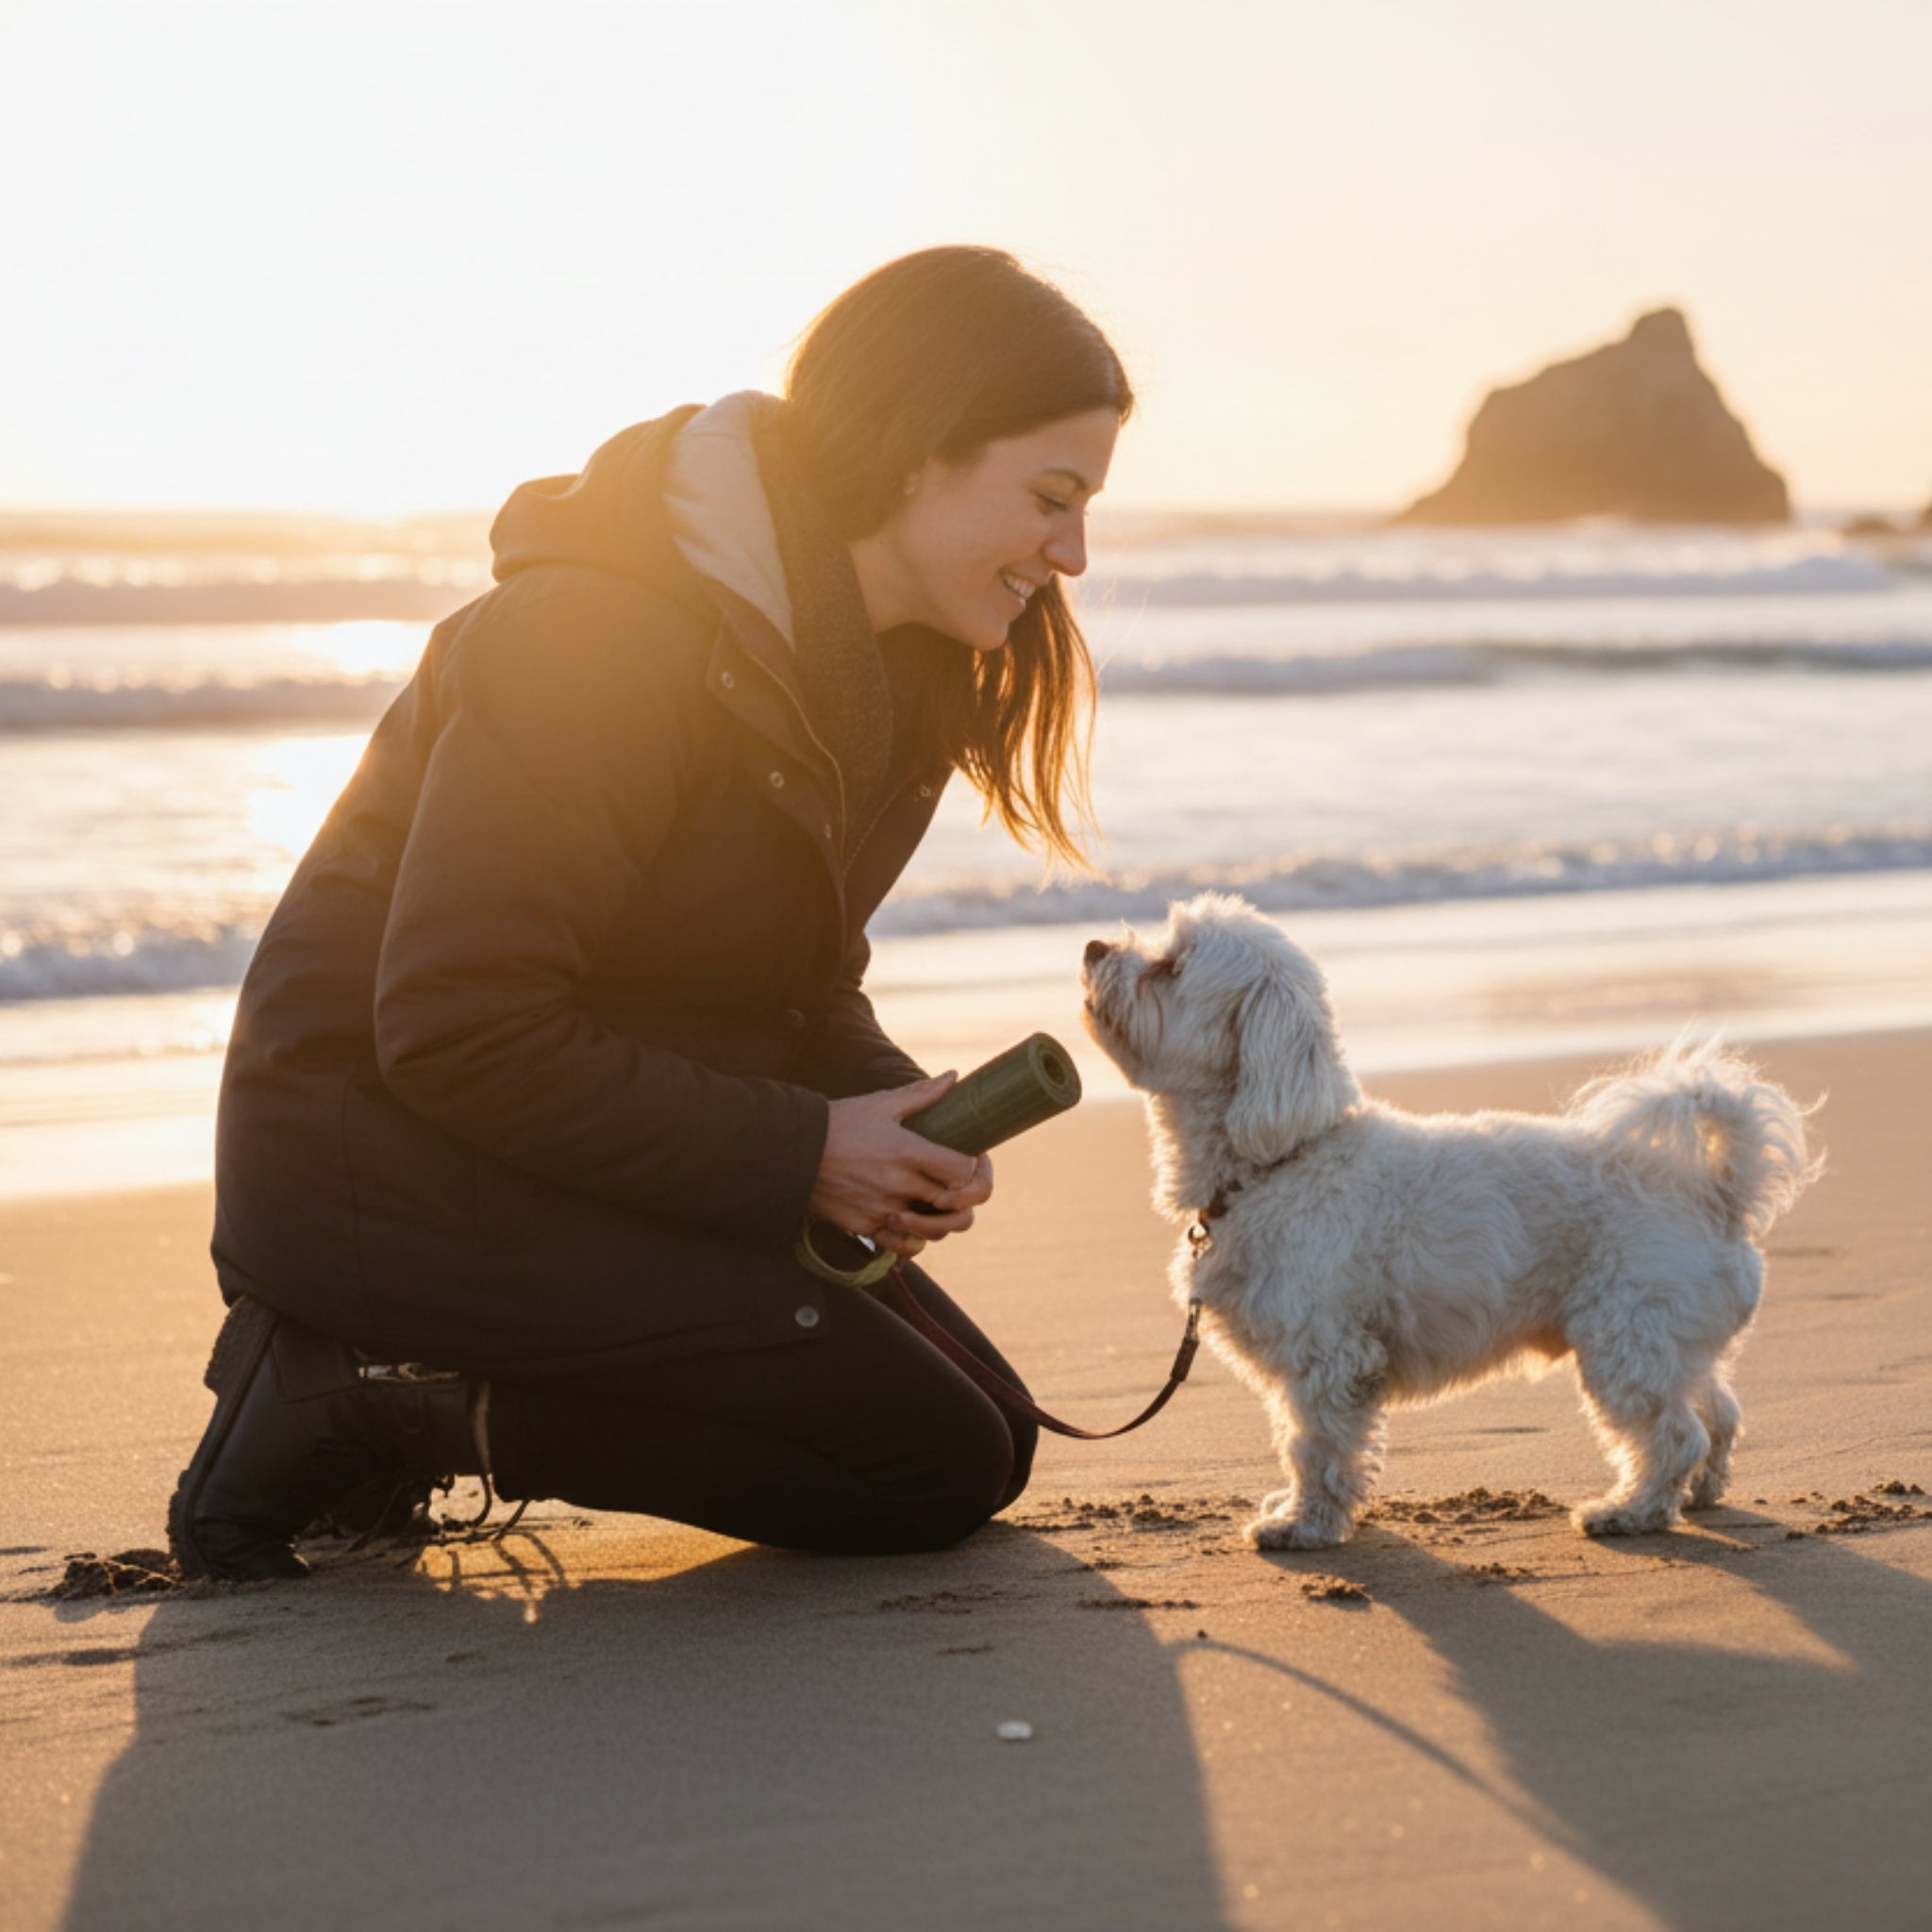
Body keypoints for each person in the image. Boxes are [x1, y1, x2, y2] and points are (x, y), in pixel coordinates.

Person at [169, 246, 1133, 1579]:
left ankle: (420, 1385)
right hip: (378, 1168)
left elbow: (791, 981)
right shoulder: (596, 637)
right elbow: (457, 1031)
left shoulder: (892, 676)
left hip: (568, 1149)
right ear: (917, 452)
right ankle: (371, 1393)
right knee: (931, 1464)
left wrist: (885, 1116)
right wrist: (803, 1151)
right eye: (1052, 497)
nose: (1072, 554)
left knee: (994, 1433)